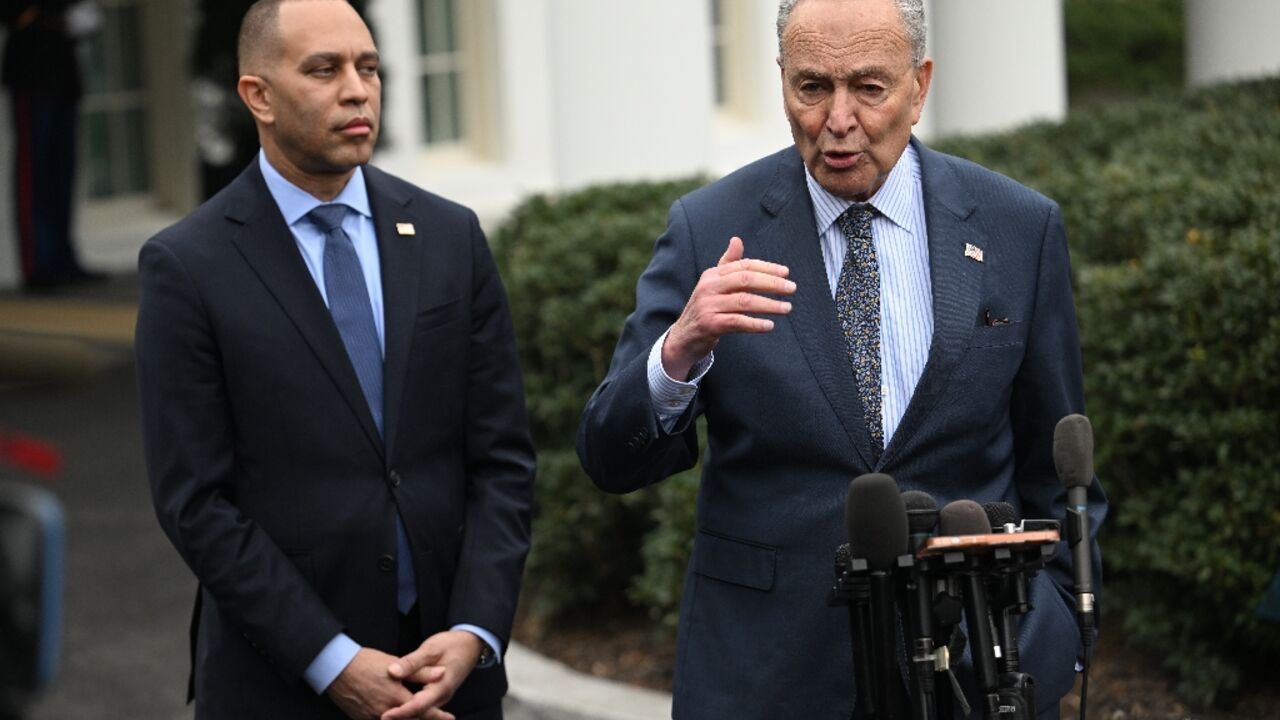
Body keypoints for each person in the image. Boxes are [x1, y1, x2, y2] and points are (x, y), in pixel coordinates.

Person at [577, 0, 1107, 717]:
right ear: (783, 81)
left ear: (919, 87)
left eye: (869, 86)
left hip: (971, 673)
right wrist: (678, 351)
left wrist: (1046, 641)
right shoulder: (710, 230)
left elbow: (1062, 478)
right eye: (812, 87)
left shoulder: (1018, 227)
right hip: (765, 677)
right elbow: (610, 458)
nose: (837, 120)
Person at [134, 1, 534, 718]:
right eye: (325, 69)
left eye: (369, 67)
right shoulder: (187, 267)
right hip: (280, 684)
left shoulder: (450, 237)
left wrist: (475, 628)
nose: (358, 89)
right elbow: (196, 503)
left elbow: (502, 459)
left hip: (449, 677)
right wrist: (331, 659)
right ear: (257, 95)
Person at [1, 0, 103, 291]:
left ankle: (62, 257)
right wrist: (52, 17)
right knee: (34, 174)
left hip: (64, 77)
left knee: (63, 174)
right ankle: (38, 264)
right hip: (32, 77)